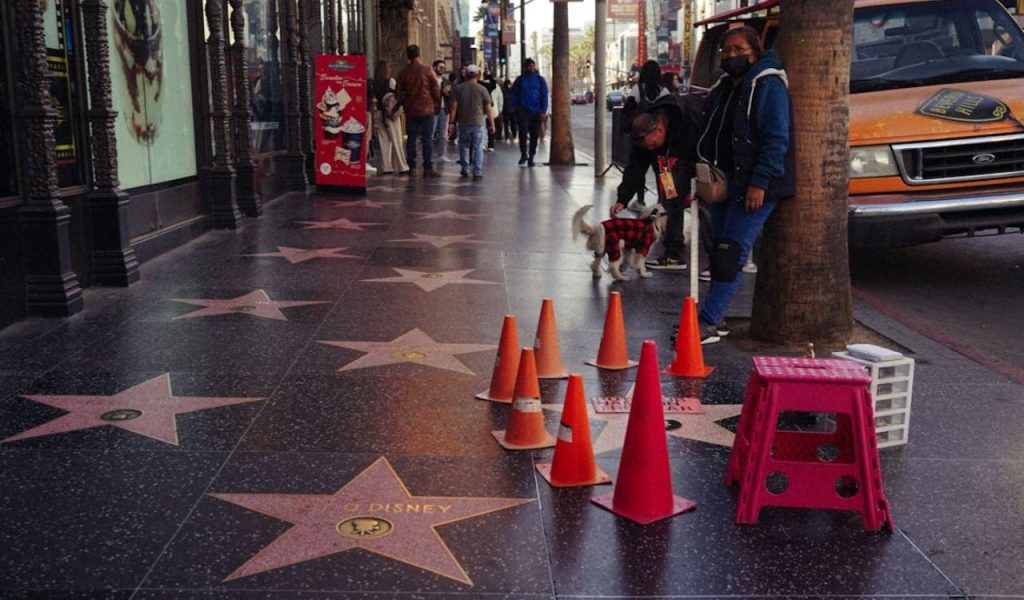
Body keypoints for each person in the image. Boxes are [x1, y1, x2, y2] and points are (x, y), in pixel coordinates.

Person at [695, 26, 795, 344]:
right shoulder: (725, 87)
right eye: (727, 50)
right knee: (719, 249)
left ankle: (708, 320)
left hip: (753, 185)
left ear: (755, 51)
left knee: (729, 253)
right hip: (727, 181)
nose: (732, 55)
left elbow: (776, 138)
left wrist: (759, 183)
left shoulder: (767, 84)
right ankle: (716, 315)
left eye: (739, 49)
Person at [609, 92, 700, 273]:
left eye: (652, 145)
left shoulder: (688, 118)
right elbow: (635, 167)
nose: (650, 149)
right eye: (647, 147)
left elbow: (705, 144)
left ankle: (679, 253)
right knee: (671, 199)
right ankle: (674, 250)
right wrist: (622, 199)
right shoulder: (646, 134)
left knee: (682, 200)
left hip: (693, 154)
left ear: (659, 130)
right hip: (670, 162)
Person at [395, 45, 441, 177]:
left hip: (411, 110)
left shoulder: (403, 72)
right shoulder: (427, 70)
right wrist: (435, 103)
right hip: (427, 110)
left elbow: (398, 92)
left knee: (411, 139)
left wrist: (405, 102)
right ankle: (428, 167)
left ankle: (412, 167)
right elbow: (436, 89)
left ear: (408, 56)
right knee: (427, 139)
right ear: (419, 54)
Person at [448, 64, 495, 181]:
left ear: (466, 75)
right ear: (478, 75)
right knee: (478, 147)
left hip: (463, 122)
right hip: (478, 123)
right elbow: (489, 109)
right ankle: (477, 172)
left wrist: (451, 123)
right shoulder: (482, 89)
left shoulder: (458, 89)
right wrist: (492, 124)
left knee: (464, 146)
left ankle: (465, 169)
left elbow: (453, 107)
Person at [508, 58, 548, 167]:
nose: (532, 68)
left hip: (536, 111)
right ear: (525, 67)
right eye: (530, 66)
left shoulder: (540, 80)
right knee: (522, 133)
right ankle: (523, 154)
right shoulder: (520, 80)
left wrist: (543, 111)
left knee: (534, 135)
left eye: (533, 66)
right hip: (523, 111)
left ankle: (531, 156)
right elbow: (513, 94)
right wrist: (516, 106)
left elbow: (544, 96)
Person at [372, 61, 409, 175]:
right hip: (390, 113)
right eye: (388, 67)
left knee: (384, 141)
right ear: (385, 69)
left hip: (379, 113)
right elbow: (398, 95)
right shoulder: (391, 81)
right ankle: (402, 166)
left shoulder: (375, 82)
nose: (390, 68)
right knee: (396, 139)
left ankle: (386, 166)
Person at [432, 60, 451, 162]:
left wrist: (448, 93)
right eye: (440, 67)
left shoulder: (446, 81)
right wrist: (441, 92)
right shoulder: (431, 80)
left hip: (444, 109)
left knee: (443, 133)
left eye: (444, 68)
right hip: (434, 109)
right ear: (435, 68)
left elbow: (450, 96)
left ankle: (442, 154)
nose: (442, 69)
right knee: (431, 132)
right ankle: (429, 155)